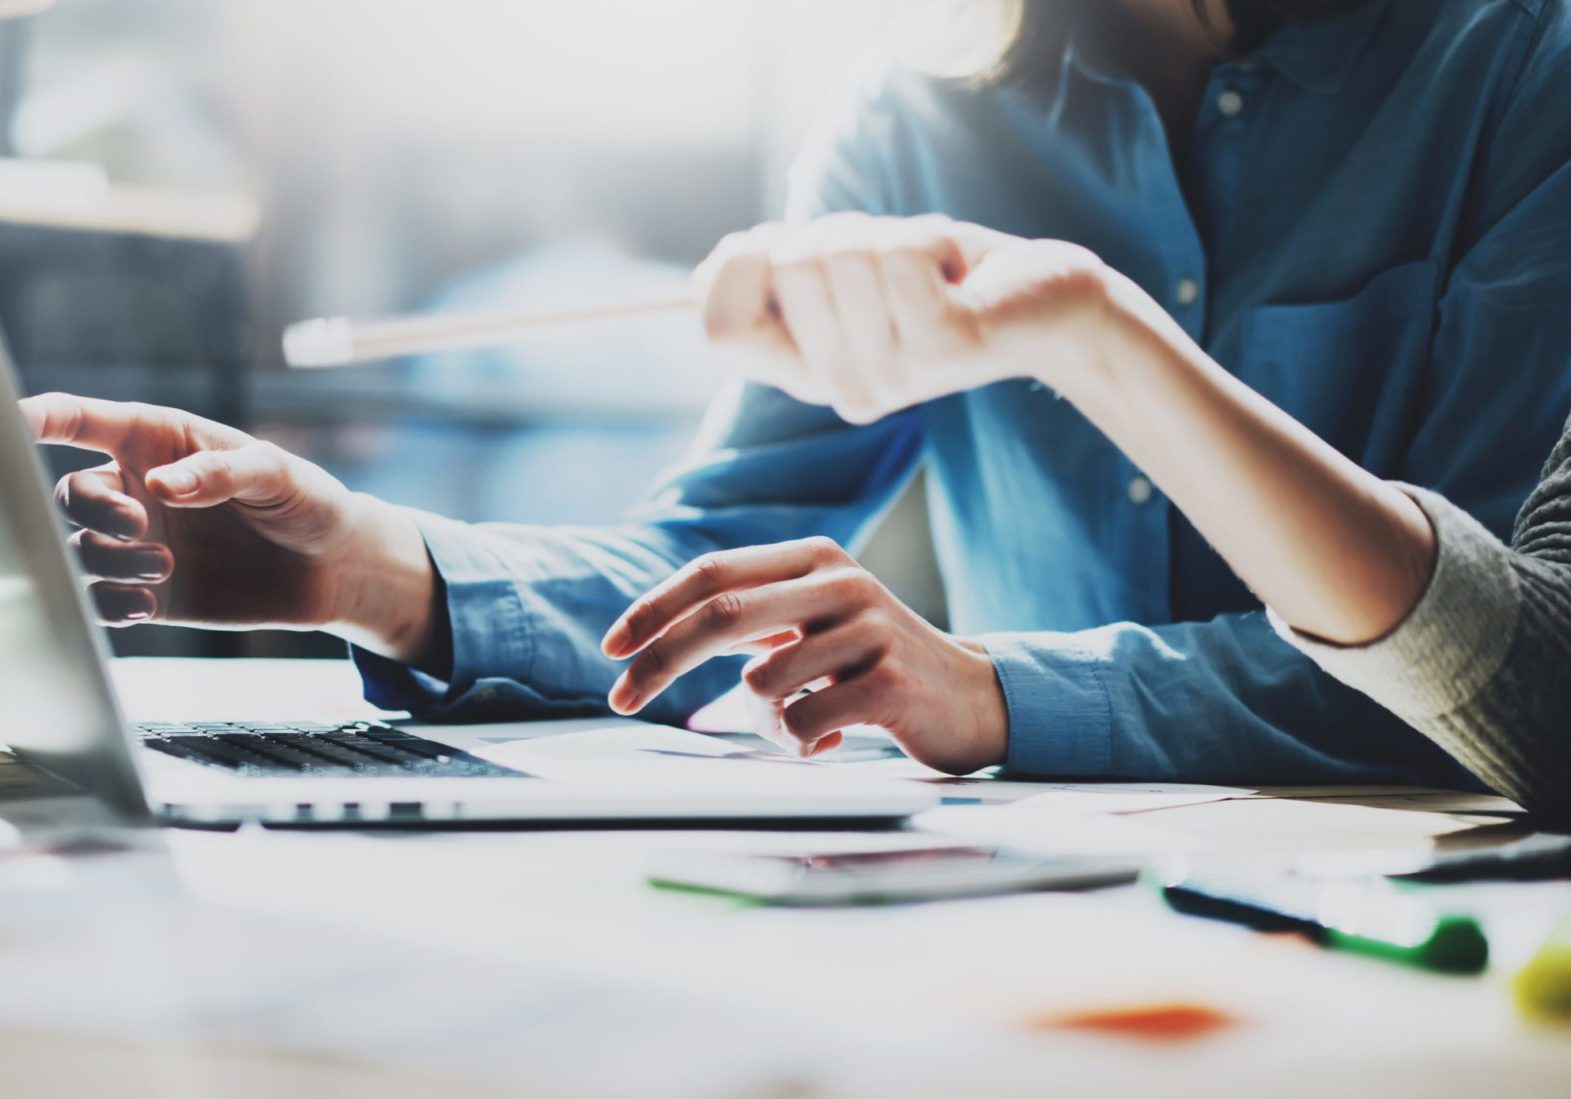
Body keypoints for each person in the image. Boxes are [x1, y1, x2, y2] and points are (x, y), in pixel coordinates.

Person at [21, 0, 1571, 789]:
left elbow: (1497, 654)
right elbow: (718, 573)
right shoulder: (915, 109)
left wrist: (990, 692)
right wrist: (373, 571)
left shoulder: (1527, 68)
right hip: (1054, 901)